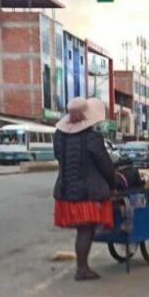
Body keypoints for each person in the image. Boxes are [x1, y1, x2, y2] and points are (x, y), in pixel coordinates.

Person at [53, 97, 116, 281]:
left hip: (66, 189)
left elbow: (60, 158)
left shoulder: (59, 136)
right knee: (85, 229)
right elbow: (105, 164)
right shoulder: (92, 138)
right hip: (88, 192)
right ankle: (82, 269)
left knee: (83, 229)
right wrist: (113, 184)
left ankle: (82, 266)